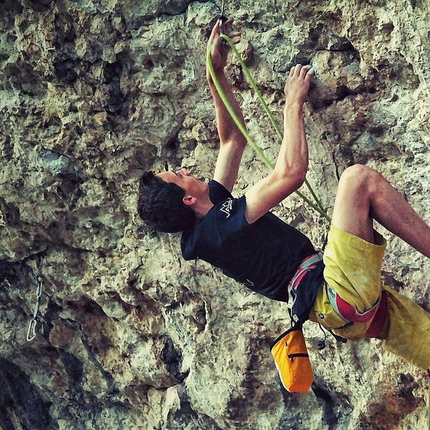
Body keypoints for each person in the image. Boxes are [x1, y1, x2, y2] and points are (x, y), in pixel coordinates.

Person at [138, 20, 430, 370]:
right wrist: (293, 103)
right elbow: (290, 174)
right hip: (336, 296)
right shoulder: (217, 228)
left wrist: (215, 72)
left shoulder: (210, 217)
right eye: (180, 176)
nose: (186, 170)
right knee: (357, 180)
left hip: (343, 312)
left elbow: (233, 138)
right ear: (187, 199)